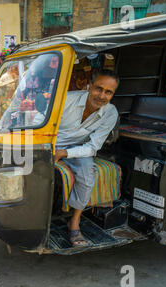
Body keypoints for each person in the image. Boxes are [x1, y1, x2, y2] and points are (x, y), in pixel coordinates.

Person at [53, 69, 119, 247]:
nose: (102, 95)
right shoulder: (67, 99)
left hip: (77, 149)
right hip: (49, 143)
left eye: (108, 92)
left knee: (87, 175)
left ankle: (74, 222)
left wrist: (65, 153)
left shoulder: (110, 113)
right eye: (99, 88)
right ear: (89, 86)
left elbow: (93, 146)